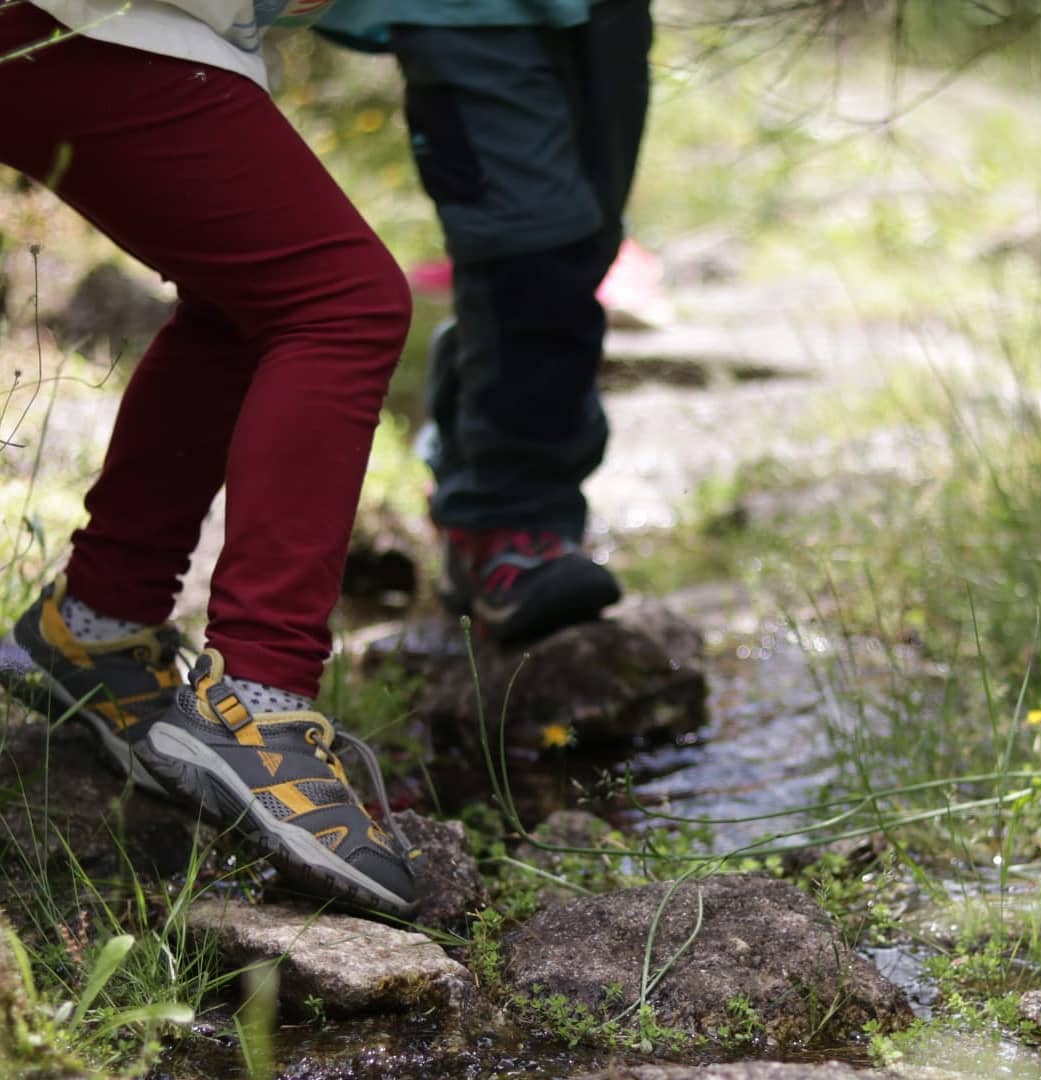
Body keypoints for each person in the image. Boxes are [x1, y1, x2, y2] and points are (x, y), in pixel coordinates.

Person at [0, 0, 423, 918]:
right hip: (86, 16)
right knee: (341, 302)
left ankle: (95, 628)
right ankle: (255, 712)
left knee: (247, 304)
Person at [315, 0, 652, 644]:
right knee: (530, 253)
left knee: (582, 246)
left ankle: (476, 487)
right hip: (467, 15)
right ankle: (505, 531)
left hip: (600, 13)